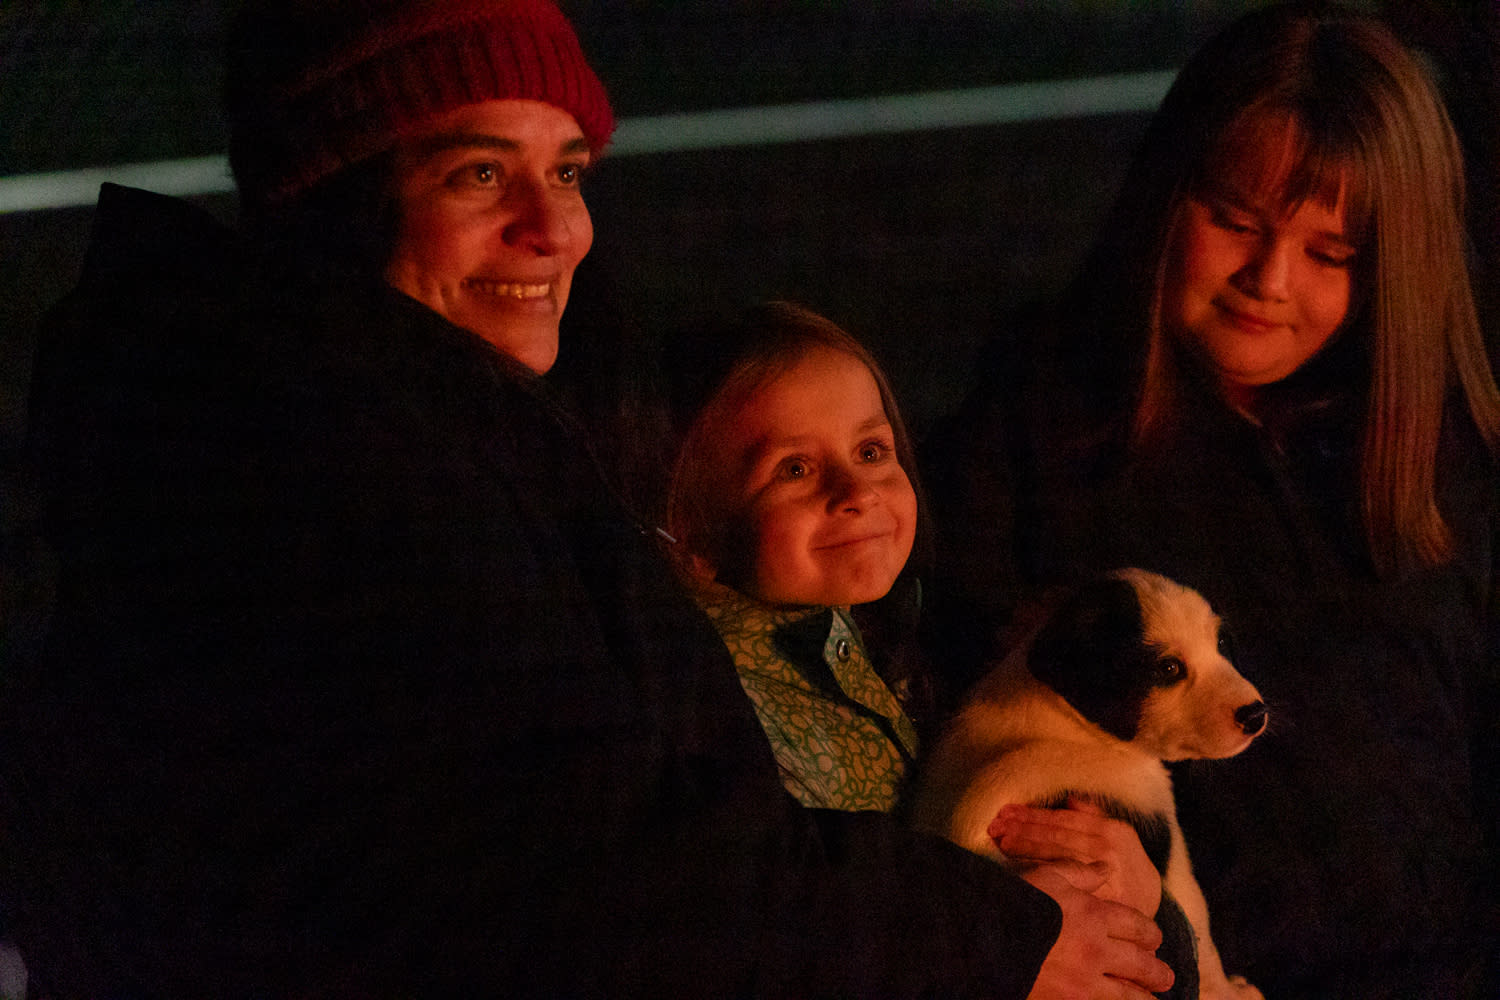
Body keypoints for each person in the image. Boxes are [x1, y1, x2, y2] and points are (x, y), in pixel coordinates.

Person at [1, 2, 1163, 997]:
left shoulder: (423, 419)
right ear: (333, 198)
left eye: (565, 170)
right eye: (477, 172)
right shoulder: (317, 473)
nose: (554, 229)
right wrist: (988, 941)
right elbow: (598, 872)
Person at [923, 3, 1500, 998]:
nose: (1268, 280)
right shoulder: (1038, 433)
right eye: (1235, 221)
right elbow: (979, 738)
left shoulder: (1441, 461)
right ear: (1163, 198)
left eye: (1331, 255)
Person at [662, 301, 1178, 995]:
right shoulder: (701, 695)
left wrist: (1139, 896)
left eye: (873, 451)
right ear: (692, 533)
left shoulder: (910, 652)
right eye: (794, 470)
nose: (858, 491)